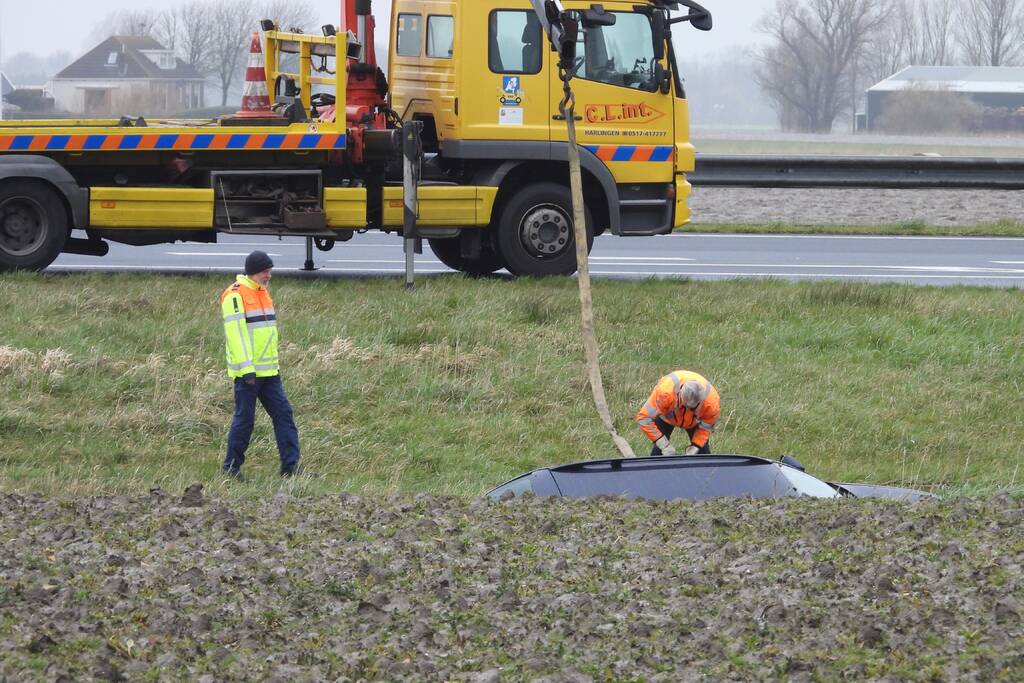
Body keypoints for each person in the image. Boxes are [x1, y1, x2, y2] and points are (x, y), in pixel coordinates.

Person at [220, 250, 301, 479]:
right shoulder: (235, 295)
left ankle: (290, 468)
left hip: (269, 372)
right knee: (245, 421)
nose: (269, 275)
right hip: (249, 374)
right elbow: (236, 335)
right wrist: (247, 371)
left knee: (284, 414)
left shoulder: (262, 292)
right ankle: (231, 469)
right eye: (266, 271)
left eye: (270, 270)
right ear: (254, 272)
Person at [635, 370, 720, 456]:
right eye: (684, 405)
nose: (688, 410)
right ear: (680, 395)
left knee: (703, 453)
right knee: (658, 451)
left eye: (692, 408)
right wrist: (663, 445)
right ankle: (654, 468)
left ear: (701, 401)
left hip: (694, 422)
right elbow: (643, 418)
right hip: (666, 417)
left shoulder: (711, 404)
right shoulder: (665, 393)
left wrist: (696, 446)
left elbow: (706, 427)